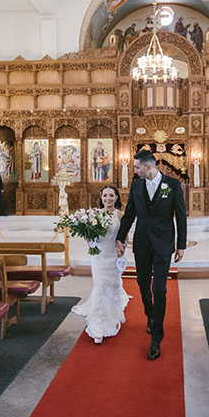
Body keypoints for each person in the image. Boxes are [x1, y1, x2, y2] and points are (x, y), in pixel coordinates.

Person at [116, 150, 187, 360]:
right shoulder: (136, 185)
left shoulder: (172, 185)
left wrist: (181, 245)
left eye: (137, 167)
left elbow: (180, 216)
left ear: (148, 167)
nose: (135, 170)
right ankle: (150, 314)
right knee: (142, 283)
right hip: (142, 243)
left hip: (163, 244)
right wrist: (119, 238)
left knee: (160, 289)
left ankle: (156, 337)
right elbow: (129, 215)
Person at [72, 186, 130, 344]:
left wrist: (122, 248)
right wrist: (88, 238)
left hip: (113, 256)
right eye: (105, 195)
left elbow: (125, 238)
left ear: (116, 197)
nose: (108, 198)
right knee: (100, 287)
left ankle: (113, 316)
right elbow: (88, 236)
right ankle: (97, 326)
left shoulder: (120, 215)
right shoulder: (94, 214)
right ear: (101, 196)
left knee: (113, 287)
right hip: (98, 257)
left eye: (111, 195)